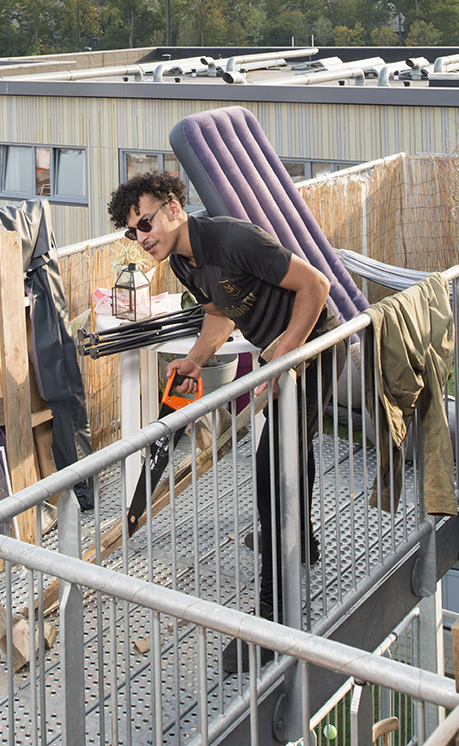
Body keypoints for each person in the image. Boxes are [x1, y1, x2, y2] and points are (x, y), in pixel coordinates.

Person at [106, 170, 331, 673]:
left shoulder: (232, 239)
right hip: (284, 359)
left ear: (173, 207)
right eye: (133, 233)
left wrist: (286, 350)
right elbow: (219, 313)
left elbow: (316, 286)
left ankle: (275, 620)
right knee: (291, 450)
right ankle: (304, 543)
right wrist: (195, 358)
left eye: (146, 223)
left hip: (317, 346)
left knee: (275, 466)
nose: (143, 239)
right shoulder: (184, 261)